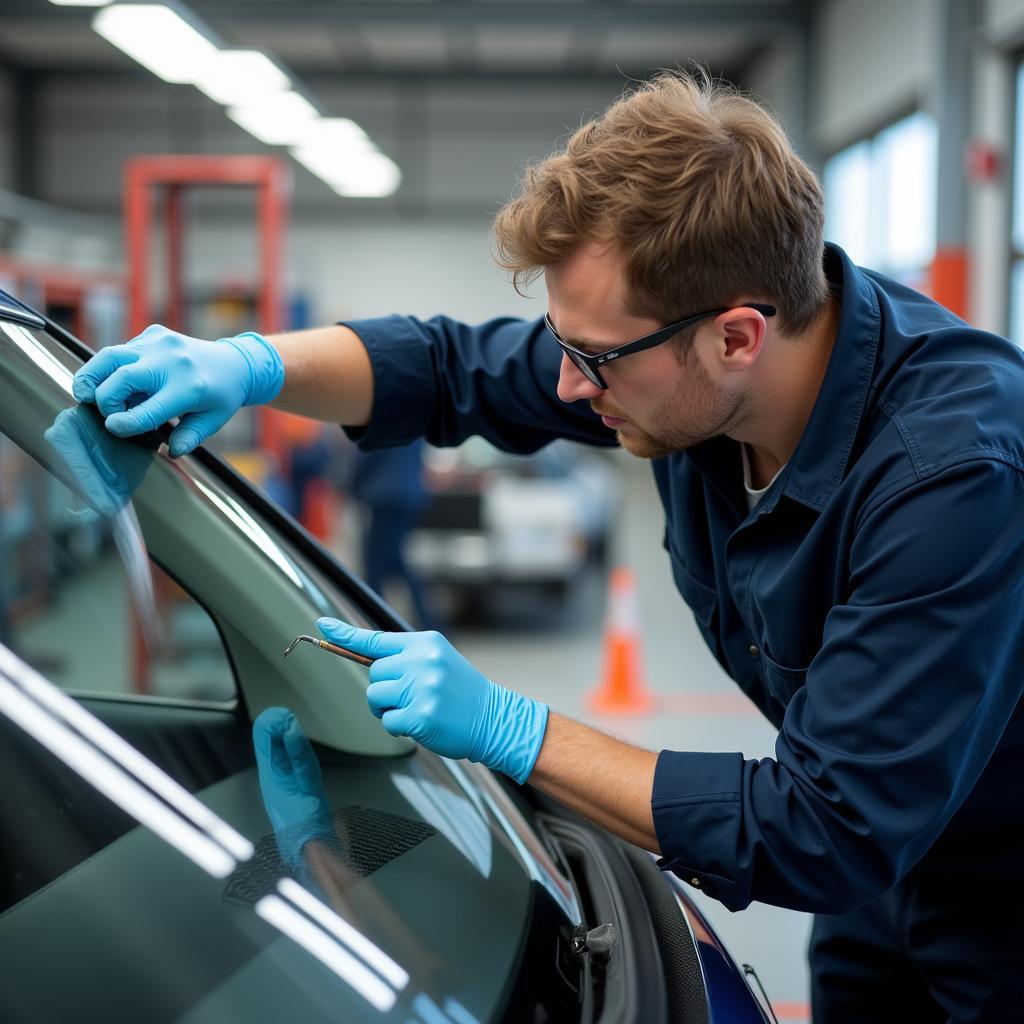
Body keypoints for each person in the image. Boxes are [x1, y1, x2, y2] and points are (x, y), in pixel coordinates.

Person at [71, 71, 1024, 1021]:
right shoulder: (686, 367)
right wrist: (251, 364)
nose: (568, 385)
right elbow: (452, 368)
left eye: (596, 359)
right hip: (876, 881)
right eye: (565, 343)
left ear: (738, 336)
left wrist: (511, 730)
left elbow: (825, 826)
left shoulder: (953, 478)